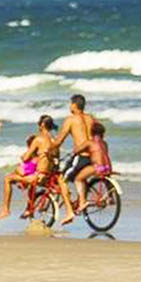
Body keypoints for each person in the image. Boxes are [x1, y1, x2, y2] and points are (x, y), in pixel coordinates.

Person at [0, 115, 59, 220]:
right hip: (48, 176)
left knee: (8, 178)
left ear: (42, 125)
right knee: (27, 177)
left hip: (38, 177)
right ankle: (29, 209)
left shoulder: (39, 139)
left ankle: (6, 209)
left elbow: (25, 158)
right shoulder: (54, 140)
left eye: (39, 123)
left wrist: (25, 156)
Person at [54, 94, 96, 225]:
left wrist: (48, 149)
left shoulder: (71, 120)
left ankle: (69, 212)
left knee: (61, 179)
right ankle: (81, 199)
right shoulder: (91, 118)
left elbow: (59, 140)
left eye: (70, 104)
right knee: (80, 177)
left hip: (81, 156)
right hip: (94, 155)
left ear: (73, 105)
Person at [69, 122, 113, 212]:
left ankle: (82, 202)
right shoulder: (104, 143)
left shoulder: (89, 142)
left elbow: (76, 150)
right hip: (107, 167)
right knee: (105, 177)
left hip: (97, 167)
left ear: (91, 133)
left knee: (78, 179)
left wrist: (74, 152)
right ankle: (111, 197)